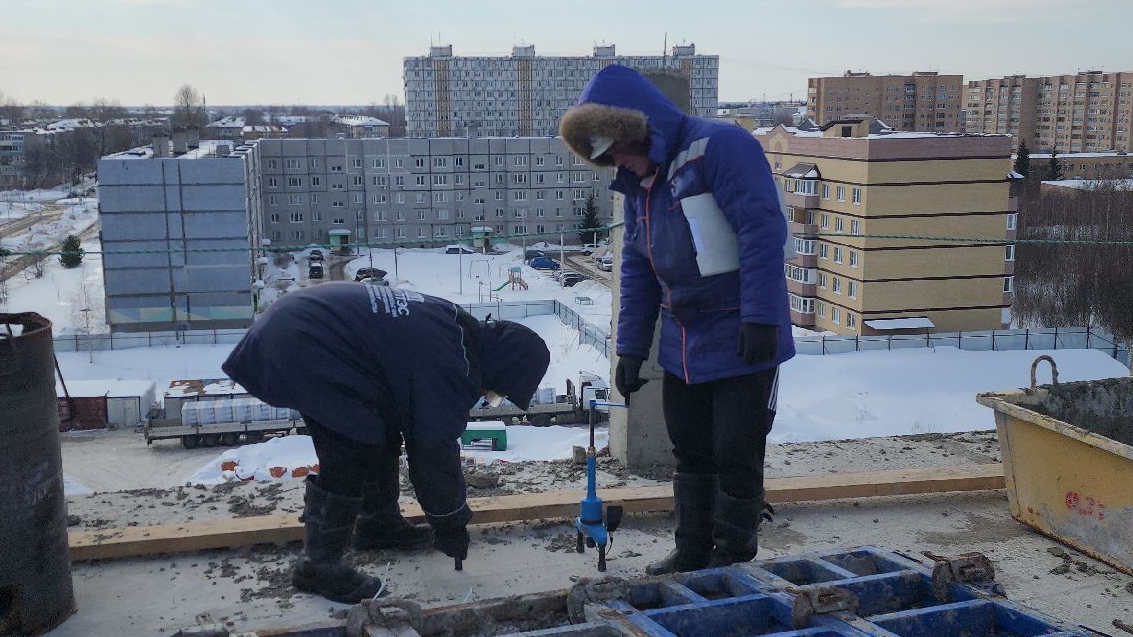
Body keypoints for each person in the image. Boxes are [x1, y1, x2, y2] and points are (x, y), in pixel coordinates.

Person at [560, 65, 794, 573]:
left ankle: (731, 559)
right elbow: (638, 268)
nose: (615, 163)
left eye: (616, 149)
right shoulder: (640, 186)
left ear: (637, 128)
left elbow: (761, 229)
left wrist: (760, 317)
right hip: (684, 342)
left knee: (736, 452)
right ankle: (691, 550)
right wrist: (629, 349)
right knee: (690, 450)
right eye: (604, 157)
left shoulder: (720, 147)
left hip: (742, 335)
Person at [223, 281, 551, 603]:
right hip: (303, 340)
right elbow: (433, 454)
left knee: (378, 428)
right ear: (500, 367)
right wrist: (450, 523)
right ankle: (319, 566)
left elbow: (409, 418)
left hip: (301, 324)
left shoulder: (454, 330)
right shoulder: (451, 364)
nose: (485, 397)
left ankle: (378, 525)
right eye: (495, 393)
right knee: (350, 447)